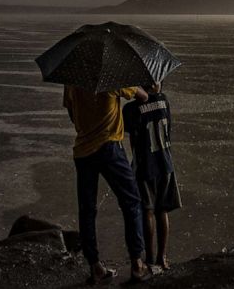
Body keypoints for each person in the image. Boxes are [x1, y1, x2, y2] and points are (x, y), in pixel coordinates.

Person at [64, 84, 154, 284]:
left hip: (82, 150)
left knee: (87, 210)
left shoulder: (72, 80)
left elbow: (72, 115)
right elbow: (143, 96)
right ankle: (137, 264)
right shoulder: (111, 76)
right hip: (109, 146)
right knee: (131, 202)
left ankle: (95, 266)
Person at [123, 82, 182, 270]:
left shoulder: (131, 109)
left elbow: (133, 138)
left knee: (147, 211)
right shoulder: (164, 101)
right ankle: (162, 257)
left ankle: (148, 258)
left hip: (145, 165)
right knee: (162, 211)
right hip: (165, 163)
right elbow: (168, 133)